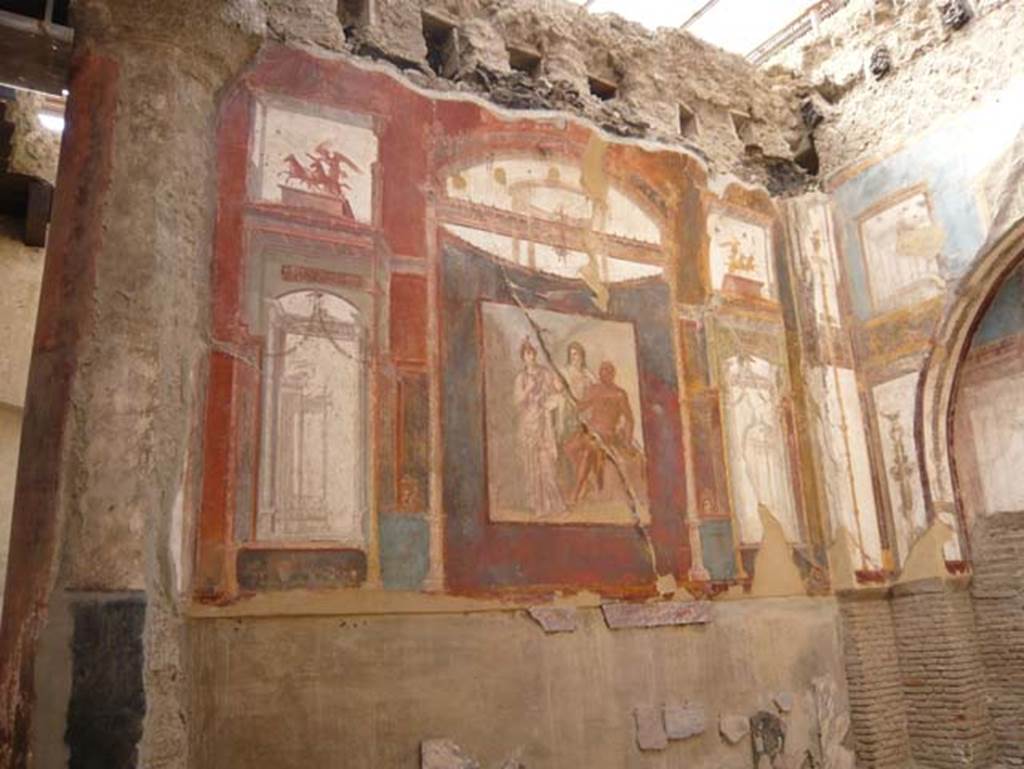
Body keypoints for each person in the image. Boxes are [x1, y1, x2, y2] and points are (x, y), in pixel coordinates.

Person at [565, 361, 637, 504]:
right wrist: (568, 394)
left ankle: (577, 491)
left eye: (608, 371)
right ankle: (587, 480)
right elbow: (581, 406)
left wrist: (628, 441)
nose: (604, 374)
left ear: (613, 374)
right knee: (569, 448)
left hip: (606, 434)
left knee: (588, 452)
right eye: (602, 371)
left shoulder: (619, 394)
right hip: (589, 431)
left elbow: (629, 419)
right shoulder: (594, 389)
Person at [513, 338, 565, 515]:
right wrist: (528, 389)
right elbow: (517, 401)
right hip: (528, 424)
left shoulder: (545, 372)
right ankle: (538, 506)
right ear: (523, 357)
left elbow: (558, 389)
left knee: (548, 465)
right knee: (532, 466)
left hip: (544, 422)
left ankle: (555, 505)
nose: (531, 356)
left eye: (533, 353)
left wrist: (558, 384)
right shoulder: (521, 377)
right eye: (527, 354)